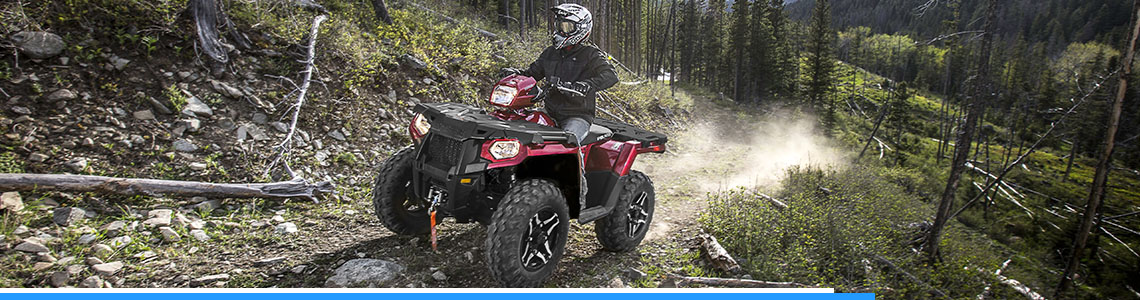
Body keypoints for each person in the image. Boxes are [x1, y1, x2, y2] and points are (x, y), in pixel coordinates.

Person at [501, 3, 618, 146]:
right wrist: (516, 74)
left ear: (581, 29)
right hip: (549, 111)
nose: (561, 31)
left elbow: (611, 75)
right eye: (559, 26)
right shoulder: (550, 53)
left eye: (567, 27)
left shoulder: (591, 54)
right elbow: (532, 74)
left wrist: (586, 85)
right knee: (521, 132)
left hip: (576, 116)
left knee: (568, 143)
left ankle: (577, 167)